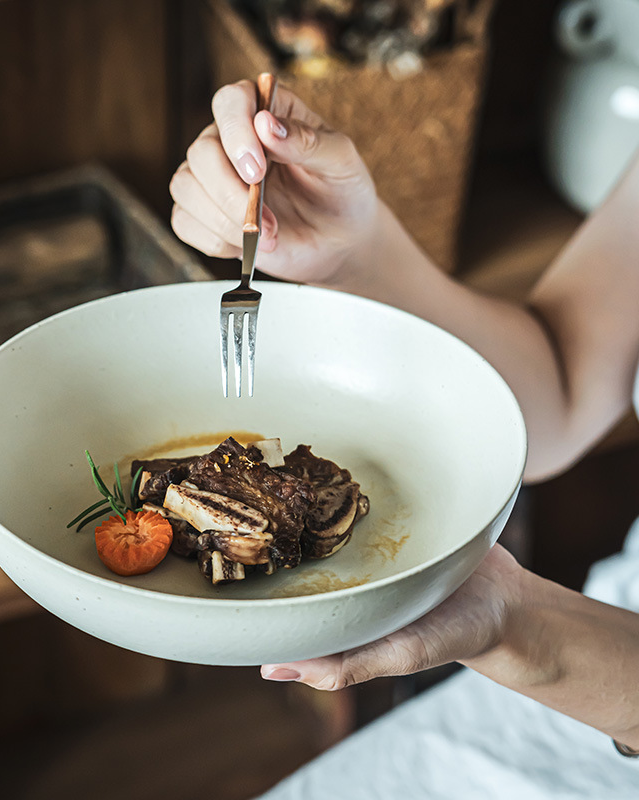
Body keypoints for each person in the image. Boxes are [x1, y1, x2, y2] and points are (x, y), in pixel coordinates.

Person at [169, 79, 639, 795]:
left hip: (595, 669)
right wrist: (354, 254)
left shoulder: (538, 633)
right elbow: (566, 379)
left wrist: (525, 630)